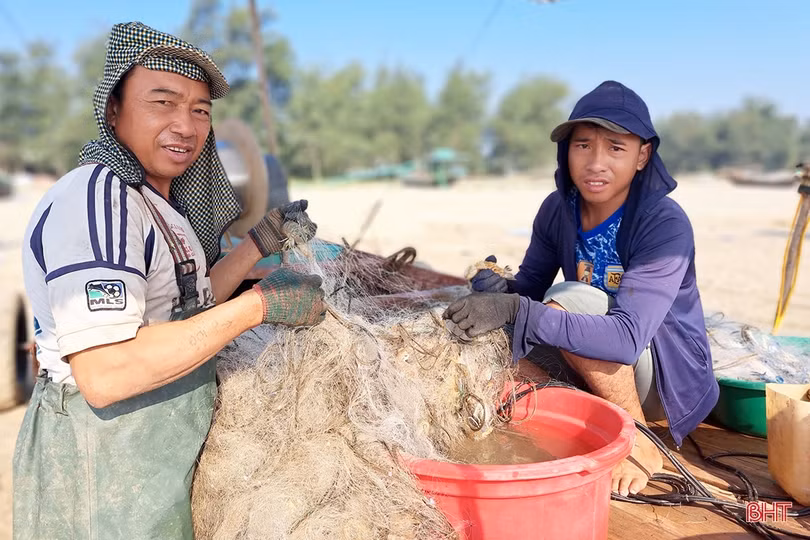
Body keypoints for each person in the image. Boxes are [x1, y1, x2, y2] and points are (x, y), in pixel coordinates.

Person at [13, 22, 326, 539]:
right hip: (105, 466)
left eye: (200, 110)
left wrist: (260, 243)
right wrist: (260, 307)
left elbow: (189, 307)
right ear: (114, 110)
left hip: (151, 452)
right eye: (163, 102)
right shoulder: (98, 202)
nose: (186, 124)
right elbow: (107, 371)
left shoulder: (155, 203)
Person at [444, 80, 718, 497]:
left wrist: (516, 310)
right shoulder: (558, 209)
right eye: (583, 145)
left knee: (569, 300)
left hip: (661, 381)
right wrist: (499, 290)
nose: (596, 162)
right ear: (566, 151)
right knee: (494, 335)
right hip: (591, 359)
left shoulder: (664, 223)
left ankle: (639, 439)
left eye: (616, 148)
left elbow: (626, 339)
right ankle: (574, 419)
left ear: (643, 155)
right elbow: (531, 288)